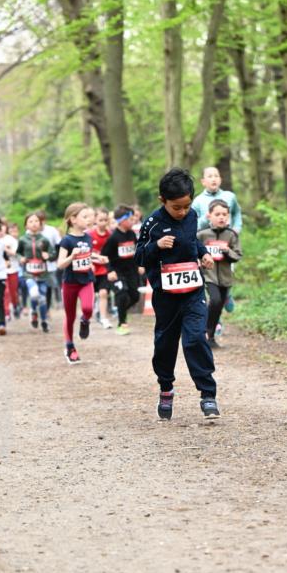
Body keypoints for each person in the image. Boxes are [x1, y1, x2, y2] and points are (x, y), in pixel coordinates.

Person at [135, 167, 219, 420]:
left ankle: (207, 395)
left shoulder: (191, 216)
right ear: (163, 200)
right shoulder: (153, 222)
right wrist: (155, 246)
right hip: (166, 294)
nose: (182, 212)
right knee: (166, 344)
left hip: (193, 290)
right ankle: (166, 388)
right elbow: (139, 256)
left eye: (186, 206)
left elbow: (192, 241)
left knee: (195, 339)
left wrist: (202, 253)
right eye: (176, 207)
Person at [197, 200, 242, 349]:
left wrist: (226, 251)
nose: (221, 217)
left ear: (228, 216)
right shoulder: (202, 235)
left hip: (225, 277)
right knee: (214, 300)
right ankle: (204, 331)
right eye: (217, 214)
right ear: (209, 216)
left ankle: (210, 337)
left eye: (224, 214)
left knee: (218, 307)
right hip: (209, 276)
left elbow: (237, 255)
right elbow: (193, 251)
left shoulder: (231, 235)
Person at [57, 203, 96, 364]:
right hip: (70, 283)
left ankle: (85, 321)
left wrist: (96, 259)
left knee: (87, 308)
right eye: (84, 217)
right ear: (73, 219)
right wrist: (72, 256)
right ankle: (70, 347)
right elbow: (60, 264)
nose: (88, 220)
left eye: (89, 216)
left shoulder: (89, 237)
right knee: (70, 316)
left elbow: (87, 256)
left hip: (86, 280)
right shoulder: (66, 241)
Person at [102, 205, 140, 336]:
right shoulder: (113, 238)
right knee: (122, 294)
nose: (133, 221)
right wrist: (109, 270)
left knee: (135, 297)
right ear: (121, 221)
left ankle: (120, 311)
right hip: (117, 272)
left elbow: (137, 250)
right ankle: (121, 323)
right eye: (130, 219)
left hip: (132, 271)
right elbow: (104, 255)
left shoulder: (131, 234)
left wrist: (140, 265)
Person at [16, 213, 54, 332]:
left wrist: (48, 256)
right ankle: (33, 311)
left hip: (43, 274)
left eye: (36, 221)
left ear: (40, 223)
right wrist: (20, 258)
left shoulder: (45, 240)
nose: (34, 223)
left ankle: (43, 321)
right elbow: (18, 253)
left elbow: (53, 254)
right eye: (31, 221)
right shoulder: (22, 240)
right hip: (29, 273)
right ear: (26, 225)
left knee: (42, 299)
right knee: (34, 294)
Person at [191, 167, 242, 233]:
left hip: (228, 238)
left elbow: (237, 212)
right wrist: (206, 218)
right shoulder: (198, 201)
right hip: (206, 239)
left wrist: (237, 228)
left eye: (216, 176)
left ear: (220, 180)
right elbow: (192, 224)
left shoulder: (230, 196)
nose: (214, 179)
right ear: (203, 182)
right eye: (210, 176)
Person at [89, 208, 113, 329]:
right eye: (100, 220)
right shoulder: (89, 235)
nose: (103, 222)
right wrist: (92, 261)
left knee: (103, 293)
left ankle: (104, 318)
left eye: (105, 220)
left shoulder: (111, 235)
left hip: (104, 269)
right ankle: (93, 311)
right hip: (91, 269)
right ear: (95, 220)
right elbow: (85, 252)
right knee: (92, 295)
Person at [37, 209, 61, 310]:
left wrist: (54, 258)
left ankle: (51, 304)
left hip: (51, 264)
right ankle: (42, 307)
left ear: (44, 220)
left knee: (51, 285)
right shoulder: (30, 232)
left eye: (40, 221)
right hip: (37, 265)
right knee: (40, 287)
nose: (38, 223)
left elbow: (59, 246)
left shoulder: (51, 231)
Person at [0, 220, 21, 319]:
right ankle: (6, 313)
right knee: (5, 291)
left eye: (2, 227)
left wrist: (6, 249)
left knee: (13, 292)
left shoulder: (11, 239)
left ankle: (16, 306)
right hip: (0, 271)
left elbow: (17, 254)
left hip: (13, 269)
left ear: (5, 228)